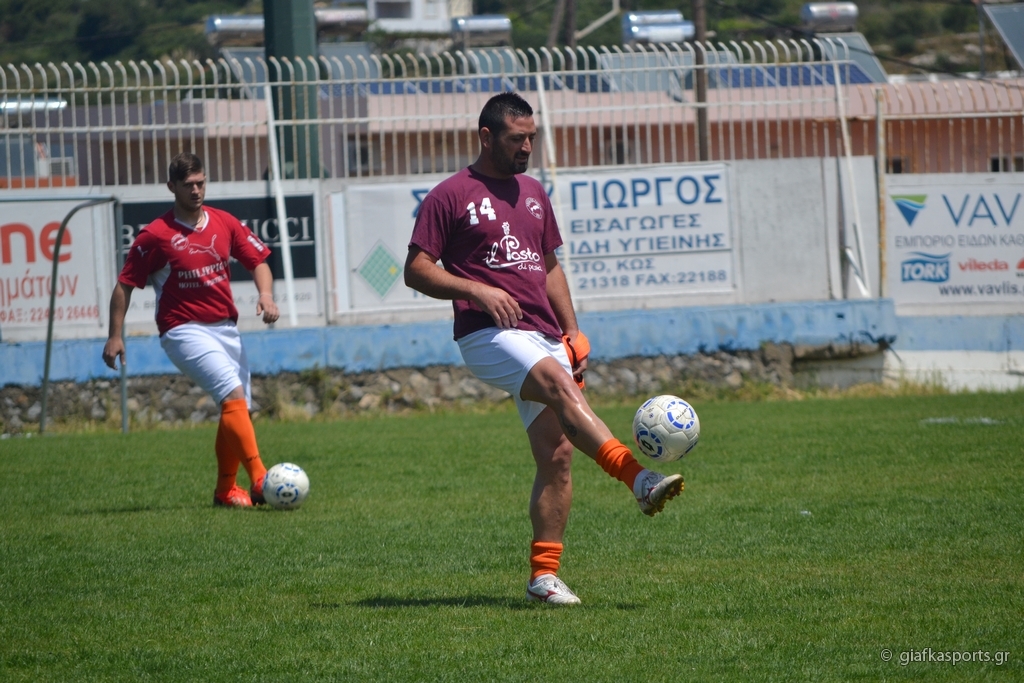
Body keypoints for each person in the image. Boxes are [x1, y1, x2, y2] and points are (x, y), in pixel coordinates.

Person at [405, 92, 684, 605]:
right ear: (486, 136)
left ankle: (543, 577)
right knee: (558, 386)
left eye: (532, 137)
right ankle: (639, 479)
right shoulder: (449, 195)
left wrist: (572, 331)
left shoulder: (534, 191)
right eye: (517, 139)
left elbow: (549, 265)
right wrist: (477, 290)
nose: (527, 147)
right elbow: (416, 270)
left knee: (557, 455)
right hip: (487, 334)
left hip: (542, 334)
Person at [102, 152, 280, 508]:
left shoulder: (224, 222)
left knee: (237, 409)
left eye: (200, 183)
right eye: (188, 185)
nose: (196, 190)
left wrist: (265, 295)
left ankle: (225, 491)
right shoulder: (155, 235)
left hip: (225, 329)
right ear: (172, 187)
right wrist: (115, 335)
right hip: (182, 330)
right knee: (232, 395)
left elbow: (258, 260)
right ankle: (261, 479)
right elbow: (125, 284)